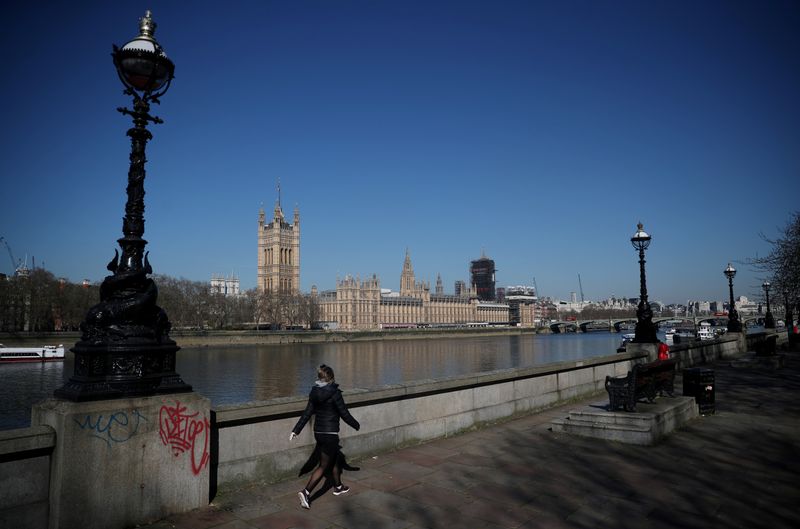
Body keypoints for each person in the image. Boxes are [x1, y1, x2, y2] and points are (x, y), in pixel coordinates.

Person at [289, 364, 360, 510]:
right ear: (332, 377)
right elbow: (344, 413)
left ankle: (338, 487)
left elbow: (307, 413)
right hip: (330, 434)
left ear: (319, 378)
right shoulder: (335, 393)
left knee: (333, 459)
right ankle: (306, 492)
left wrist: (296, 430)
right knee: (323, 466)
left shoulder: (314, 392)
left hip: (319, 433)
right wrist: (356, 424)